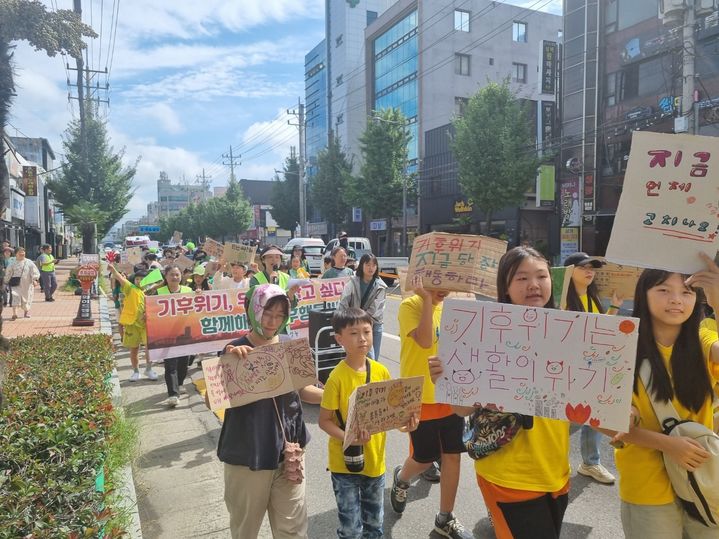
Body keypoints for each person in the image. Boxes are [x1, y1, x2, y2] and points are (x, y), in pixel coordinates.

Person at [429, 246, 570, 539]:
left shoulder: (568, 331)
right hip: (509, 474)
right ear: (505, 288)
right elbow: (462, 410)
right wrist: (447, 378)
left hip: (556, 471)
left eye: (541, 276)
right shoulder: (482, 333)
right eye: (521, 278)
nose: (533, 284)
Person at [608, 254, 719, 539]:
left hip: (704, 483)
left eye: (687, 291)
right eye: (663, 290)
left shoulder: (703, 340)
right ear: (643, 295)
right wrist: (668, 445)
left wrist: (718, 302)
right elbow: (605, 422)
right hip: (648, 489)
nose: (676, 300)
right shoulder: (618, 347)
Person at [216, 284, 323, 539]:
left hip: (290, 452)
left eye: (279, 315)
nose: (273, 321)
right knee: (245, 530)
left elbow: (305, 390)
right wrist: (231, 363)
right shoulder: (234, 350)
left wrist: (340, 396)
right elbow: (218, 397)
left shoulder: (291, 345)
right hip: (247, 455)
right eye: (267, 313)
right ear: (253, 311)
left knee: (294, 530)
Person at [319, 307, 418, 539]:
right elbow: (324, 421)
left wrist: (407, 425)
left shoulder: (382, 372)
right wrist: (348, 436)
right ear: (339, 339)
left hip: (375, 463)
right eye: (354, 333)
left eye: (366, 331)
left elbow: (393, 417)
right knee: (350, 528)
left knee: (374, 524)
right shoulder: (336, 378)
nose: (362, 338)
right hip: (344, 465)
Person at [390, 276, 472, 539]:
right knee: (425, 458)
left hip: (449, 394)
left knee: (452, 455)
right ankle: (402, 479)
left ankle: (445, 517)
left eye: (448, 281)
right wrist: (426, 298)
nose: (444, 289)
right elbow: (425, 341)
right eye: (436, 283)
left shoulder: (452, 309)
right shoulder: (410, 306)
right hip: (419, 397)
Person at [563, 251, 621, 485]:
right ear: (569, 271)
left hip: (591, 367)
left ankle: (590, 462)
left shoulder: (592, 298)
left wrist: (615, 307)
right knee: (561, 418)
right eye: (583, 267)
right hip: (566, 369)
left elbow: (602, 328)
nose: (590, 271)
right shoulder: (561, 300)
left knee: (593, 416)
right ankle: (558, 460)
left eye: (592, 268)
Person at [108, 264, 159, 382]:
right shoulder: (130, 288)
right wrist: (114, 270)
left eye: (142, 279)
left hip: (147, 324)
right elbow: (120, 278)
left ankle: (149, 369)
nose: (139, 281)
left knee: (149, 348)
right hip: (132, 324)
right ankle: (136, 372)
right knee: (134, 349)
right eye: (137, 279)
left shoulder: (152, 292)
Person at [155, 265, 193, 407]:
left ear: (181, 276)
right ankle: (173, 394)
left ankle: (180, 383)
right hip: (167, 333)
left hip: (185, 332)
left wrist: (199, 295)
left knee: (184, 361)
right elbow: (152, 311)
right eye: (172, 274)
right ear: (166, 276)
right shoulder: (159, 292)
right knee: (170, 364)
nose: (175, 277)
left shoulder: (189, 291)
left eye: (177, 274)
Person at [338, 254, 387, 360]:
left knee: (373, 359)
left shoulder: (380, 286)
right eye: (368, 264)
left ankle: (372, 376)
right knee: (356, 356)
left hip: (374, 324)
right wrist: (343, 320)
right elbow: (343, 302)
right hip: (353, 323)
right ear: (361, 265)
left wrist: (360, 320)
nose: (371, 268)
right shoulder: (353, 282)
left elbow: (375, 309)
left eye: (374, 265)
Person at [4, 247, 40, 320]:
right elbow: (8, 273)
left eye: (23, 252)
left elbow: (34, 271)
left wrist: (35, 279)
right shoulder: (12, 263)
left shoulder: (29, 262)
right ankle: (15, 314)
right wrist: (5, 281)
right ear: (16, 254)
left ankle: (26, 312)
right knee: (15, 297)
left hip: (27, 283)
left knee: (27, 298)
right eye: (20, 252)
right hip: (15, 283)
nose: (22, 253)